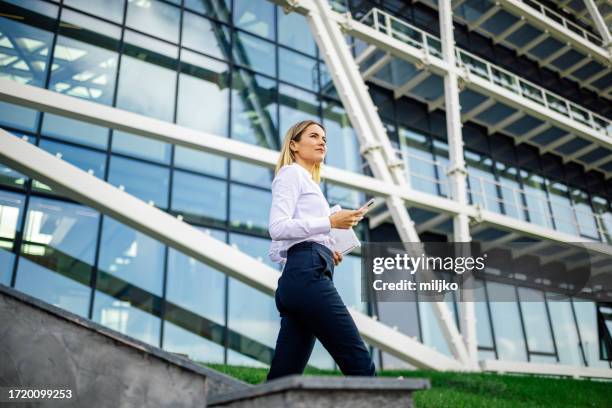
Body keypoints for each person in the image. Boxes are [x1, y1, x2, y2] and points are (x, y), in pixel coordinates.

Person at [266, 120, 376, 381]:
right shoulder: (291, 174)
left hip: (302, 275)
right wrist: (329, 222)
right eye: (313, 136)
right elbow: (277, 228)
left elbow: (282, 246)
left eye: (324, 138)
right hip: (307, 276)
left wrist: (326, 246)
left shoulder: (309, 183)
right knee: (359, 364)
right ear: (293, 145)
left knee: (282, 380)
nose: (322, 142)